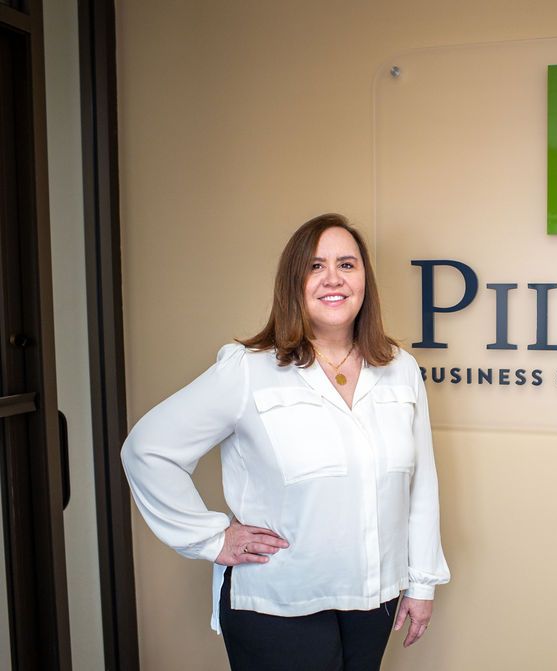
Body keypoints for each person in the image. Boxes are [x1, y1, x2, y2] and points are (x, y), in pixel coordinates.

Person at [122, 213, 450, 670]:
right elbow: (147, 449)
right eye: (315, 267)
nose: (332, 278)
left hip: (373, 601)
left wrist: (422, 584)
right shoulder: (248, 370)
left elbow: (421, 487)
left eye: (347, 264)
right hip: (277, 605)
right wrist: (211, 538)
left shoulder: (400, 369)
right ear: (292, 283)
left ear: (365, 280)